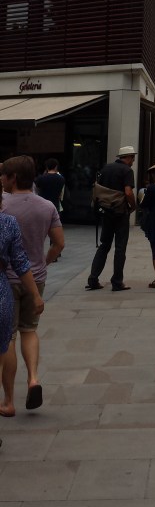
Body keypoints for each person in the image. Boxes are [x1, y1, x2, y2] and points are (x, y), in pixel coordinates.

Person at [0, 155, 63, 417]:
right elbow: (59, 243)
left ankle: (8, 400)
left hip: (6, 280)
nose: (1, 179)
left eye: (3, 175)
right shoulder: (47, 206)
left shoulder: (3, 206)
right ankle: (33, 378)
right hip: (35, 277)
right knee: (29, 330)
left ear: (13, 178)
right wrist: (44, 263)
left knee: (8, 338)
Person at [0, 188, 45, 440]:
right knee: (8, 341)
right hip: (1, 293)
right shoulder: (7, 223)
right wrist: (36, 295)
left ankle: (8, 400)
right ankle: (16, 392)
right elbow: (20, 262)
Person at [86, 146, 136, 292]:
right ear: (128, 157)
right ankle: (117, 281)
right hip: (120, 212)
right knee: (120, 247)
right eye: (132, 158)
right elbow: (128, 192)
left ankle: (93, 278)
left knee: (104, 245)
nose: (133, 161)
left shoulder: (106, 168)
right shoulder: (127, 171)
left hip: (106, 211)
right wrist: (133, 206)